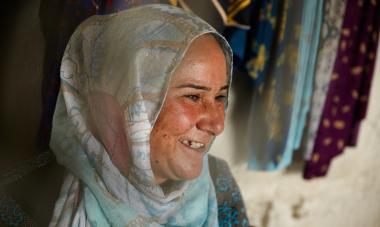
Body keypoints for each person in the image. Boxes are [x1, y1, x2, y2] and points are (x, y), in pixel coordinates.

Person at [49, 4, 248, 226]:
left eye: (220, 97)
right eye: (193, 97)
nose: (218, 124)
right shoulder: (27, 195)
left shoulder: (220, 181)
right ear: (128, 99)